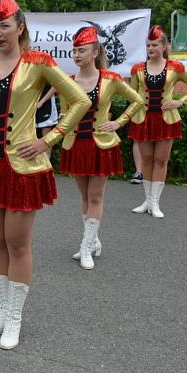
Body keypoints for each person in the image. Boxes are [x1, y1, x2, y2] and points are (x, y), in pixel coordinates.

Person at [0, 0, 90, 350]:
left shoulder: (38, 62)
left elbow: (80, 100)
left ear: (19, 27)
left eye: (4, 26)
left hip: (24, 168)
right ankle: (3, 310)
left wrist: (51, 139)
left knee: (18, 244)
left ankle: (16, 318)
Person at [58, 26, 144, 269]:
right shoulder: (68, 82)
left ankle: (86, 247)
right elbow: (66, 113)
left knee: (95, 197)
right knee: (84, 196)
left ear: (95, 52)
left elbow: (138, 100)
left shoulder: (111, 79)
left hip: (101, 145)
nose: (76, 55)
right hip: (76, 144)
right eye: (74, 50)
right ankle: (93, 241)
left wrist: (119, 122)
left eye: (81, 50)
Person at [129, 25, 187, 218]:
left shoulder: (175, 67)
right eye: (148, 46)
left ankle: (155, 202)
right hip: (143, 119)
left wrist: (181, 101)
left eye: (154, 45)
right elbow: (132, 95)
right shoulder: (137, 69)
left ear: (164, 46)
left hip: (166, 120)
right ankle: (146, 200)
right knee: (146, 160)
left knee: (161, 160)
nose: (150, 49)